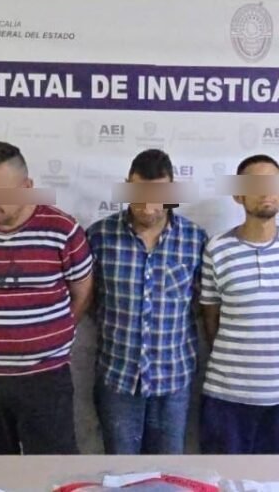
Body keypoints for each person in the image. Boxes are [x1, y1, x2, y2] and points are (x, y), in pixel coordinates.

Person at [0, 141, 94, 455]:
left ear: (27, 187)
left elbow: (81, 292)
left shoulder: (63, 230)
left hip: (45, 378)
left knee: (52, 471)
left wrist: (52, 335)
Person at [87, 149, 208, 455]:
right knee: (120, 470)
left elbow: (200, 303)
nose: (148, 207)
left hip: (173, 379)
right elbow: (89, 299)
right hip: (118, 377)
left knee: (167, 470)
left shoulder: (195, 239)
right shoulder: (99, 237)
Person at [199, 154, 279, 454]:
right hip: (226, 394)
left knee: (278, 478)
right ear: (238, 195)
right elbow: (211, 319)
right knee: (224, 476)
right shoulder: (217, 249)